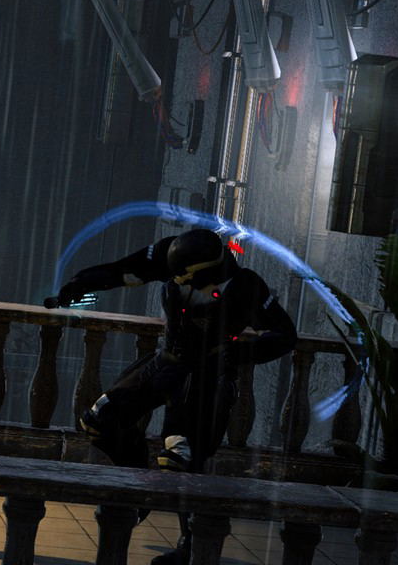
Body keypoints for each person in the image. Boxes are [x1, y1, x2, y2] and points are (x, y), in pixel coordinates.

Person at [46, 228, 296, 565]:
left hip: (207, 374)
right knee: (99, 421)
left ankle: (189, 547)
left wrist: (236, 354)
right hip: (167, 362)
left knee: (182, 458)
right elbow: (121, 270)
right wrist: (79, 284)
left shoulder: (245, 285)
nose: (176, 280)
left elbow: (284, 335)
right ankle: (139, 487)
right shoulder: (171, 256)